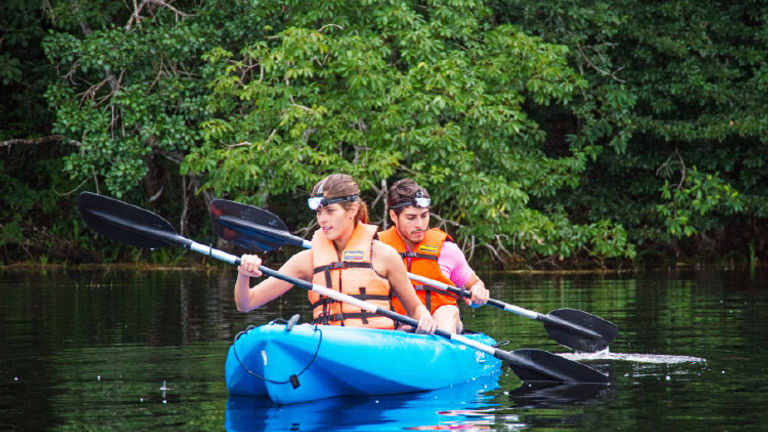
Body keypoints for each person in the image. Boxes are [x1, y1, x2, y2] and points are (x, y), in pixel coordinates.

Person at [235, 173, 437, 334]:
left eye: (330, 211)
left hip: (377, 345)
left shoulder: (384, 255)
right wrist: (244, 274)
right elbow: (246, 303)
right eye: (319, 212)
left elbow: (415, 309)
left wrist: (425, 318)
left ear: (352, 210)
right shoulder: (307, 260)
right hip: (328, 343)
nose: (322, 219)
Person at [379, 179, 489, 333]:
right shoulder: (377, 249)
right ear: (393, 216)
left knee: (447, 311)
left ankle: (440, 351)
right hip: (397, 329)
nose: (420, 225)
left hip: (441, 325)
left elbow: (475, 284)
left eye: (424, 216)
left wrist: (478, 293)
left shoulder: (447, 250)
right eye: (411, 218)